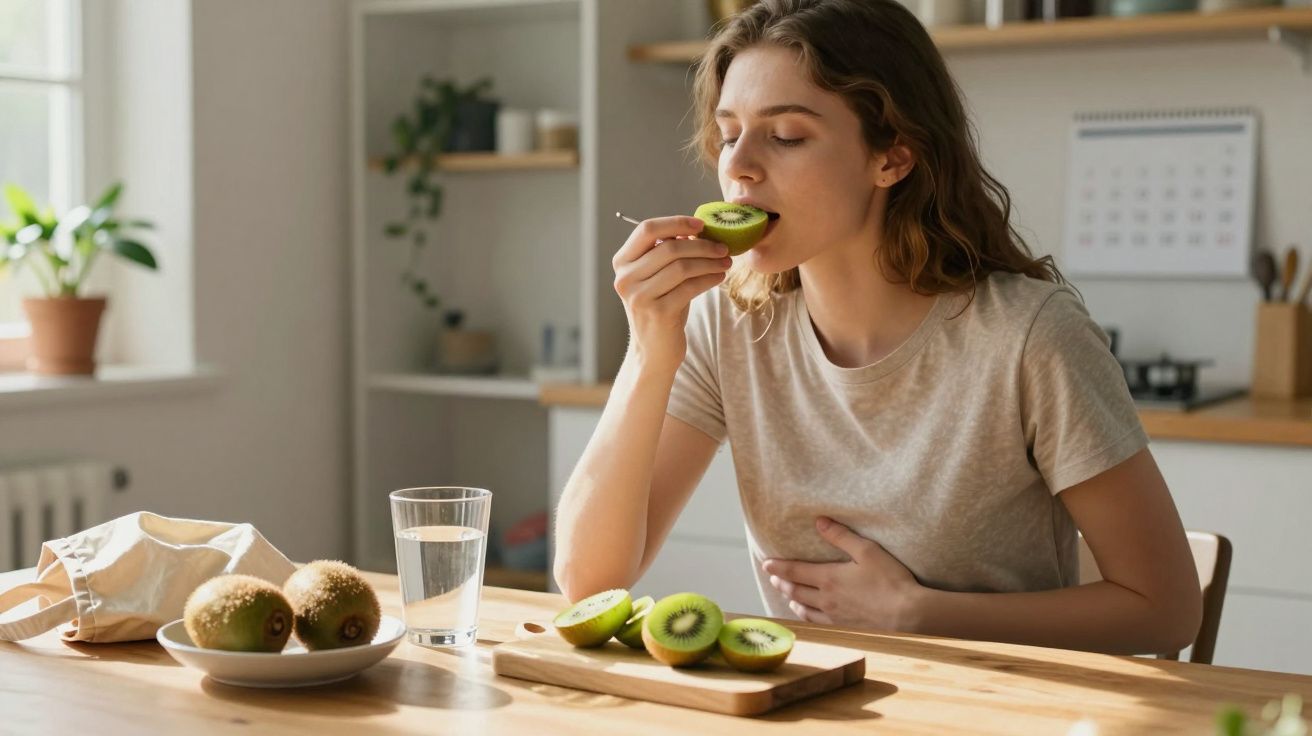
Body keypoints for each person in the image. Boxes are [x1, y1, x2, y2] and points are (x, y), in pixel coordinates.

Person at [553, 0, 1202, 655]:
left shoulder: (1029, 337)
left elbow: (1167, 610)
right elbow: (587, 581)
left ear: (892, 156)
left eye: (785, 136)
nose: (738, 167)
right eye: (729, 134)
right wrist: (648, 349)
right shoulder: (727, 321)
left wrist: (920, 613)